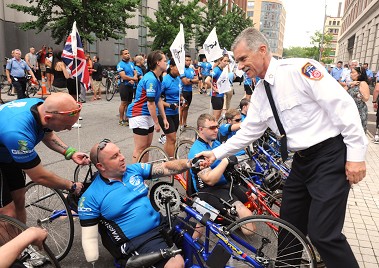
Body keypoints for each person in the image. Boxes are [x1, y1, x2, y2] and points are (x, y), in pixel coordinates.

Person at [197, 27, 367, 268]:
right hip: (302, 161)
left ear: (262, 50)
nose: (240, 66)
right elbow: (249, 132)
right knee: (289, 228)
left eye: (243, 59)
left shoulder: (300, 70)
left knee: (323, 235)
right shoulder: (259, 92)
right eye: (237, 61)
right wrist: (215, 152)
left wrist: (357, 156)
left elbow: (343, 107)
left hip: (330, 156)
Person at [78, 140, 206, 268]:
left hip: (161, 224)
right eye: (114, 157)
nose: (122, 158)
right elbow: (89, 237)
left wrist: (189, 163)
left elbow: (166, 167)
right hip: (138, 239)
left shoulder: (133, 170)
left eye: (120, 153)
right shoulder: (91, 196)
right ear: (101, 166)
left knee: (197, 230)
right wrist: (92, 256)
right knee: (176, 264)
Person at [0, 92, 89, 224]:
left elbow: (48, 134)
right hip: (9, 144)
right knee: (7, 213)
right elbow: (40, 176)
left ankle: (22, 239)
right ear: (48, 118)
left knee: (19, 200)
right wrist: (71, 186)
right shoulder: (17, 134)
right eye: (66, 126)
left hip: (7, 152)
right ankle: (13, 243)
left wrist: (70, 152)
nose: (70, 129)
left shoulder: (41, 106)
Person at [187, 114, 255, 231]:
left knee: (255, 196)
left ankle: (234, 218)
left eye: (217, 127)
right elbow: (210, 180)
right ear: (201, 129)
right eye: (212, 128)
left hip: (226, 184)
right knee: (249, 223)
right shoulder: (197, 152)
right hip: (209, 190)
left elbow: (230, 151)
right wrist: (225, 160)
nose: (216, 130)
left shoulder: (215, 143)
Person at [126, 50, 169, 163]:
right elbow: (150, 103)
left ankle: (144, 172)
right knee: (140, 148)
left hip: (148, 114)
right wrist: (156, 122)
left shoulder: (158, 78)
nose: (167, 63)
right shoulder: (150, 79)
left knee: (147, 147)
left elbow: (158, 99)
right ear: (158, 62)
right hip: (139, 114)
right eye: (165, 61)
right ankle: (135, 175)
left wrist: (164, 118)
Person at [158, 58, 181, 158]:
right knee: (172, 139)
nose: (181, 70)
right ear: (171, 67)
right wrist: (169, 105)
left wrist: (183, 99)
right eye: (178, 67)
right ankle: (172, 163)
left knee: (170, 139)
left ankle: (166, 159)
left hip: (175, 113)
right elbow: (157, 99)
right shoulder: (165, 80)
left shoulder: (178, 79)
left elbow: (180, 93)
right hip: (165, 113)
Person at [205, 55, 229, 121]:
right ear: (220, 61)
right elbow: (207, 80)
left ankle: (214, 129)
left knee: (218, 116)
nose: (226, 63)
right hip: (216, 96)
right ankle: (213, 130)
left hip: (221, 95)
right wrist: (215, 89)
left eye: (227, 61)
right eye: (225, 61)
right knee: (216, 117)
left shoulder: (223, 70)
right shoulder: (216, 70)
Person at [117, 49, 138, 126]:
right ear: (122, 55)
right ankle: (121, 119)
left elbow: (135, 72)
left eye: (128, 53)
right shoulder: (120, 64)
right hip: (124, 85)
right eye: (125, 53)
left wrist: (134, 78)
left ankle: (127, 118)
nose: (128, 55)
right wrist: (133, 79)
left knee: (129, 103)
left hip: (131, 85)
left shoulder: (131, 64)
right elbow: (123, 76)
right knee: (123, 103)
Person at [346, 66, 370, 133]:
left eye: (353, 72)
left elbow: (366, 98)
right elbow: (342, 91)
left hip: (359, 110)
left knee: (358, 131)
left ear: (359, 74)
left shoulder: (362, 83)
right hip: (350, 110)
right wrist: (349, 84)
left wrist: (361, 94)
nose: (351, 74)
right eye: (350, 72)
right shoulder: (352, 83)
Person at [179, 55, 199, 128]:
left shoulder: (191, 70)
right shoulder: (182, 70)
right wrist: (192, 81)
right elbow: (185, 82)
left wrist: (190, 80)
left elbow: (197, 80)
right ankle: (180, 123)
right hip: (183, 91)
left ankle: (184, 123)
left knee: (187, 107)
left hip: (190, 91)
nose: (188, 62)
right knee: (182, 108)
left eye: (189, 60)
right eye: (186, 60)